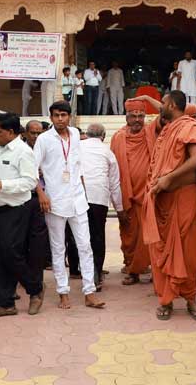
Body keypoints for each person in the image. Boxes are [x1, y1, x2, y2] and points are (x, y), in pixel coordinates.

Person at [33, 102, 104, 310]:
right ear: (51, 117)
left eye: (63, 115)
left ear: (69, 117)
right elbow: (32, 169)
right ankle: (63, 293)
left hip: (78, 200)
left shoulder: (75, 134)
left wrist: (83, 190)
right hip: (54, 201)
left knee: (85, 246)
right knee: (58, 248)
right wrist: (41, 194)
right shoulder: (44, 140)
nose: (60, 119)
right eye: (56, 115)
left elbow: (77, 165)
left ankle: (89, 292)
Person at [145, 90, 196, 321]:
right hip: (163, 200)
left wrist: (169, 178)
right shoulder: (167, 129)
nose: (160, 106)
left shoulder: (188, 127)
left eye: (162, 102)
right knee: (161, 250)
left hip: (184, 198)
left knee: (188, 250)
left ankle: (191, 298)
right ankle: (166, 300)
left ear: (171, 105)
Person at [0, 114, 45, 318]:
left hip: (15, 210)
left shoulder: (23, 152)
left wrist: (2, 185)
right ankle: (5, 303)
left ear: (10, 132)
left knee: (11, 253)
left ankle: (35, 288)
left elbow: (30, 181)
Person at [111, 99, 153, 284]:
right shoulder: (118, 137)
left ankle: (147, 267)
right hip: (126, 194)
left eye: (140, 116)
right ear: (126, 117)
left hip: (148, 195)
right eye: (133, 116)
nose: (137, 120)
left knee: (149, 235)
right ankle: (132, 268)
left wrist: (148, 99)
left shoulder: (151, 134)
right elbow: (113, 169)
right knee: (129, 234)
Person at [80, 123, 123, 289]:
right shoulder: (107, 152)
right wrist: (119, 208)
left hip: (79, 198)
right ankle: (96, 273)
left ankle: (86, 272)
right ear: (103, 136)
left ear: (87, 134)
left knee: (82, 236)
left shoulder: (77, 147)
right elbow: (114, 184)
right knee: (97, 236)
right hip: (99, 199)